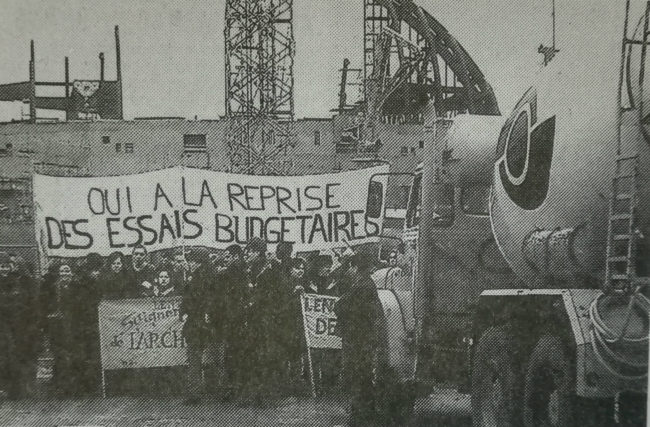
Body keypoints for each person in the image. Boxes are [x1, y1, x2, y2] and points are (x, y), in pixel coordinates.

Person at [334, 252, 384, 427]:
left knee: (357, 379)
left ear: (355, 267)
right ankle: (367, 417)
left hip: (357, 340)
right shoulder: (367, 284)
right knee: (363, 378)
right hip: (364, 339)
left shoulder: (361, 286)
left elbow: (340, 306)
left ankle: (357, 421)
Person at [243, 237, 284, 401]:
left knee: (260, 355)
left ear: (257, 252)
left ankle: (262, 394)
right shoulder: (255, 268)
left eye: (250, 251)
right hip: (258, 318)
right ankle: (261, 393)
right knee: (258, 355)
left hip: (263, 319)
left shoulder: (265, 270)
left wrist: (253, 300)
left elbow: (272, 294)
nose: (248, 254)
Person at [0, 252, 39, 400]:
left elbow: (23, 304)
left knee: (14, 357)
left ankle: (14, 390)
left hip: (15, 327)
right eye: (1, 267)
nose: (3, 270)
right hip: (2, 326)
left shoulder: (16, 282)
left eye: (5, 266)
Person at [180, 247, 215, 405]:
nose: (189, 262)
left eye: (192, 260)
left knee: (194, 358)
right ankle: (200, 390)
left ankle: (194, 393)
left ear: (199, 262)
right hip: (201, 323)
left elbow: (192, 300)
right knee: (199, 358)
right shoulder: (204, 277)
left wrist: (186, 312)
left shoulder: (197, 279)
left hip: (196, 323)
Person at [213, 244, 248, 399]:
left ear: (235, 257)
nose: (224, 260)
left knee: (235, 353)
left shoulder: (239, 272)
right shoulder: (230, 272)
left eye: (227, 257)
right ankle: (233, 388)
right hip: (232, 319)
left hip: (237, 320)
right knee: (231, 354)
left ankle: (235, 388)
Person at [41, 262, 78, 395]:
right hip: (58, 327)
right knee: (59, 355)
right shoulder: (53, 289)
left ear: (72, 273)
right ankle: (60, 386)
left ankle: (72, 386)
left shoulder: (77, 287)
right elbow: (46, 306)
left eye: (67, 271)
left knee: (73, 354)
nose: (65, 274)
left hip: (74, 325)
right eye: (62, 271)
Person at [70, 253, 104, 394]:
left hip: (86, 322)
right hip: (89, 322)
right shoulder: (85, 283)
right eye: (95, 270)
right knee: (91, 353)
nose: (97, 273)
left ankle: (87, 384)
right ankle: (89, 384)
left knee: (88, 354)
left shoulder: (81, 281)